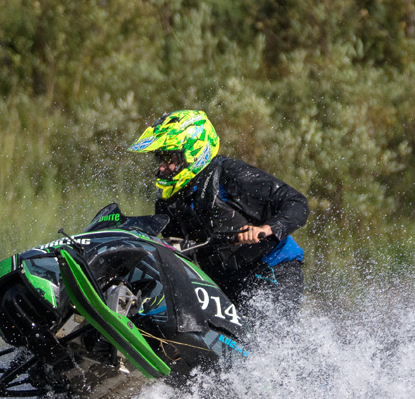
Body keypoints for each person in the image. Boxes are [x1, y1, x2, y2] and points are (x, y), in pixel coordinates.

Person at [128, 109, 308, 318]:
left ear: (192, 151)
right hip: (223, 284)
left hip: (272, 270)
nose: (161, 168)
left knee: (258, 340)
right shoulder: (169, 200)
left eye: (168, 158)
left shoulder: (229, 175)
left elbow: (297, 203)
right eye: (160, 159)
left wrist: (265, 229)